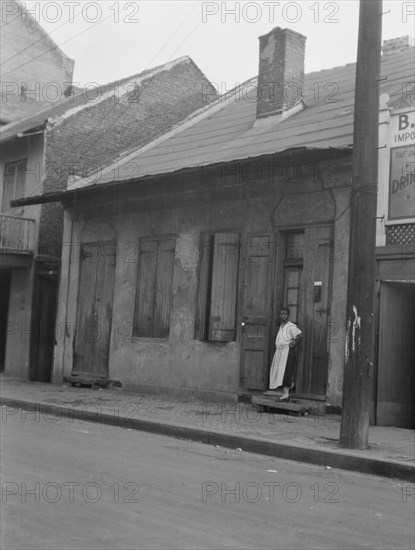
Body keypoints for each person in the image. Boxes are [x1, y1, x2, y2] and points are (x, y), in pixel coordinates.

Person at [264, 307, 303, 401]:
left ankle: (286, 394)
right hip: (280, 352)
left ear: (288, 315)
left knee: (286, 372)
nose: (283, 315)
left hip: (287, 352)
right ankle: (287, 390)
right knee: (280, 372)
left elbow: (300, 336)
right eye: (281, 314)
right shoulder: (282, 325)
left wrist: (293, 344)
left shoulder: (291, 326)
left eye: (285, 314)